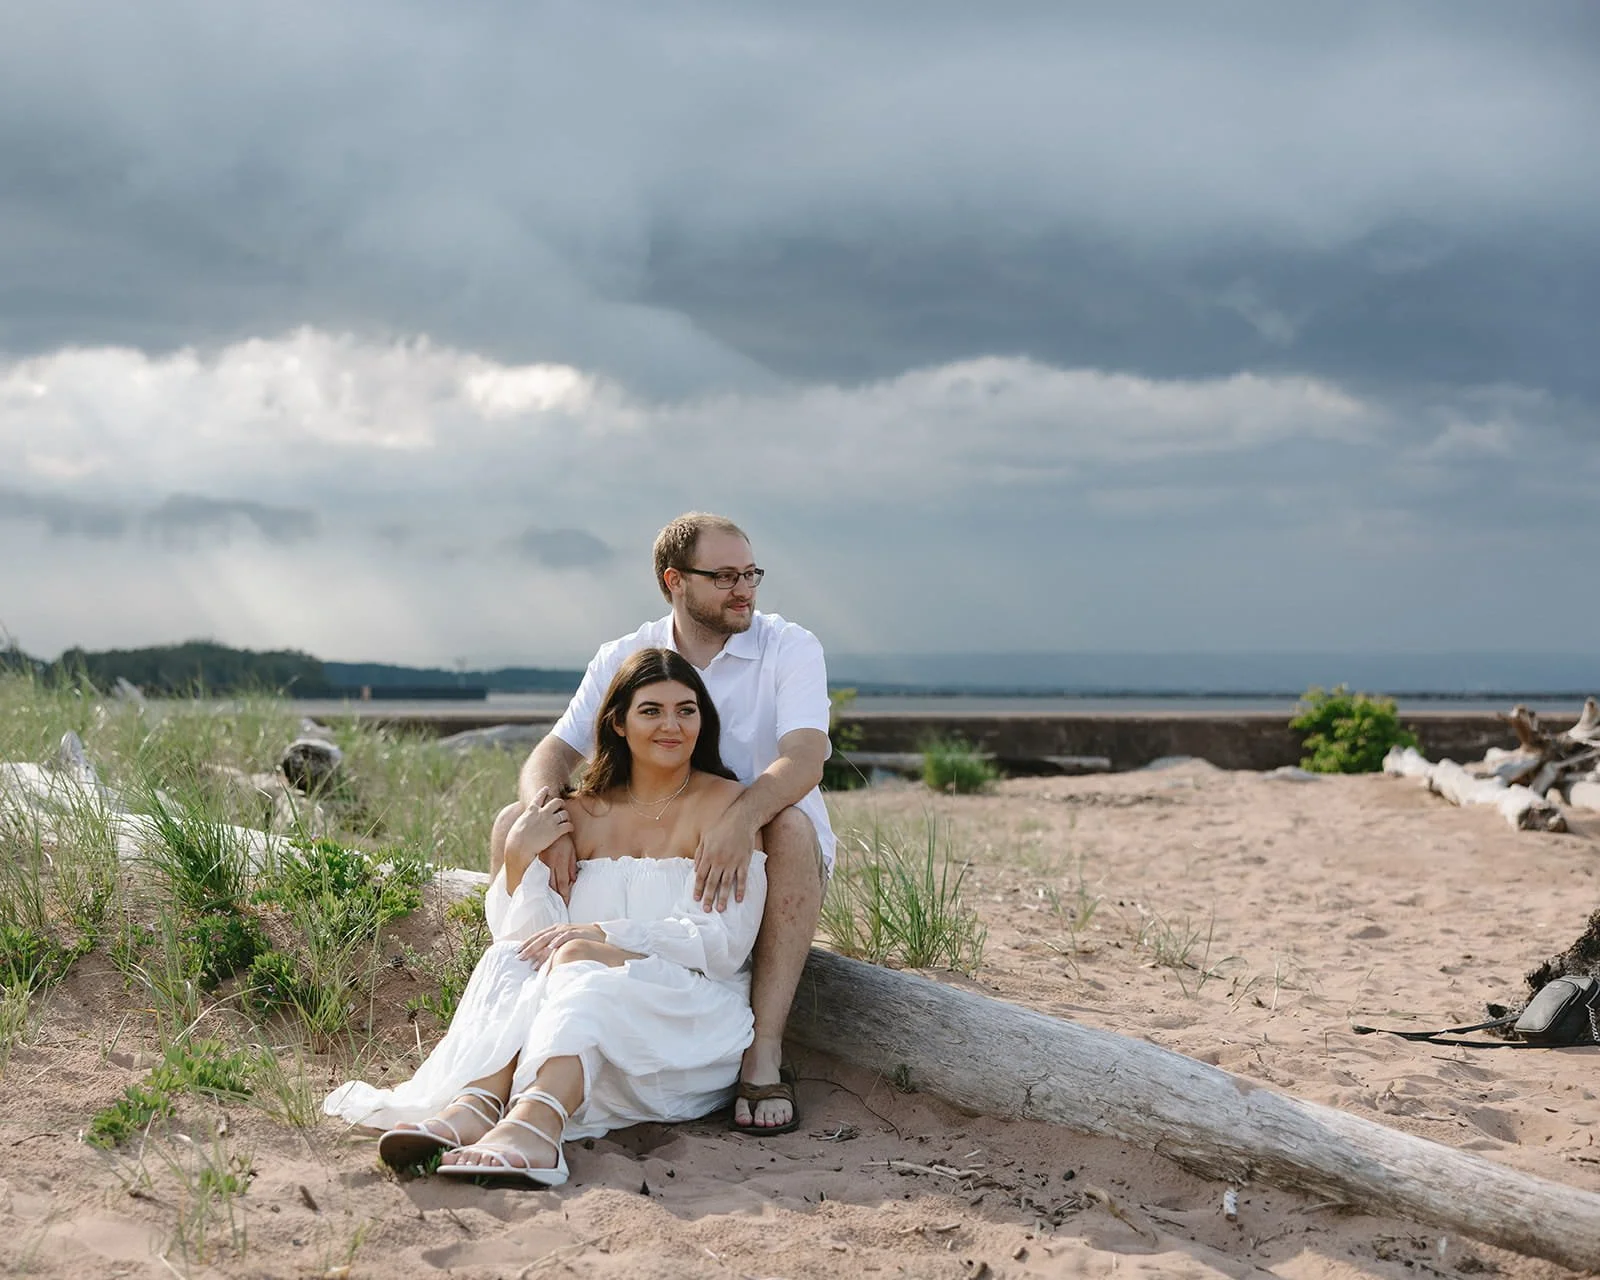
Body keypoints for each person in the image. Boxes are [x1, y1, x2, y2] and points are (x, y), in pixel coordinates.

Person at [323, 648, 766, 1185]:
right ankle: (480, 1102)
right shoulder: (578, 813)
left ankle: (536, 1128)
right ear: (618, 723)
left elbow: (725, 942)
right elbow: (527, 940)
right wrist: (517, 857)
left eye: (686, 710)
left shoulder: (727, 809)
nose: (672, 725)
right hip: (570, 1033)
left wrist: (603, 937)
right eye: (651, 710)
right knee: (512, 957)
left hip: (685, 1024)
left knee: (579, 961)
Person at [515, 513, 831, 1134]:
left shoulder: (790, 646)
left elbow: (806, 757)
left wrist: (742, 818)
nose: (744, 589)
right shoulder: (625, 656)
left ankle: (763, 1052)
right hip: (655, 844)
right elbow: (552, 755)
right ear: (674, 581)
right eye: (724, 576)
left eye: (750, 574)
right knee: (512, 823)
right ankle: (526, 1021)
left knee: (791, 825)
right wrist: (546, 819)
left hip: (761, 843)